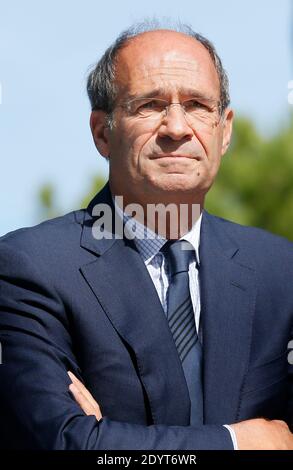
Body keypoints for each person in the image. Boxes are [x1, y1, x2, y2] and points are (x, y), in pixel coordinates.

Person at [0, 22, 293, 451]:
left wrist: (114, 440)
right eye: (150, 106)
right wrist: (239, 442)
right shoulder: (31, 268)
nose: (177, 128)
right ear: (103, 132)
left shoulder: (281, 271)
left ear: (224, 130)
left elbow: (100, 448)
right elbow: (67, 444)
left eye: (196, 105)